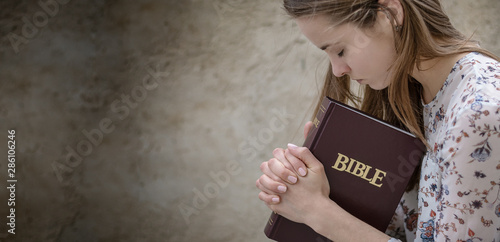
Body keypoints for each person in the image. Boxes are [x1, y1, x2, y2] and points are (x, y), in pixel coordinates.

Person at [255, 0, 500, 241]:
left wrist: (317, 211)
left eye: (340, 50)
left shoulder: (478, 112)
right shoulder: (416, 96)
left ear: (390, 13)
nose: (338, 70)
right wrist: (317, 183)